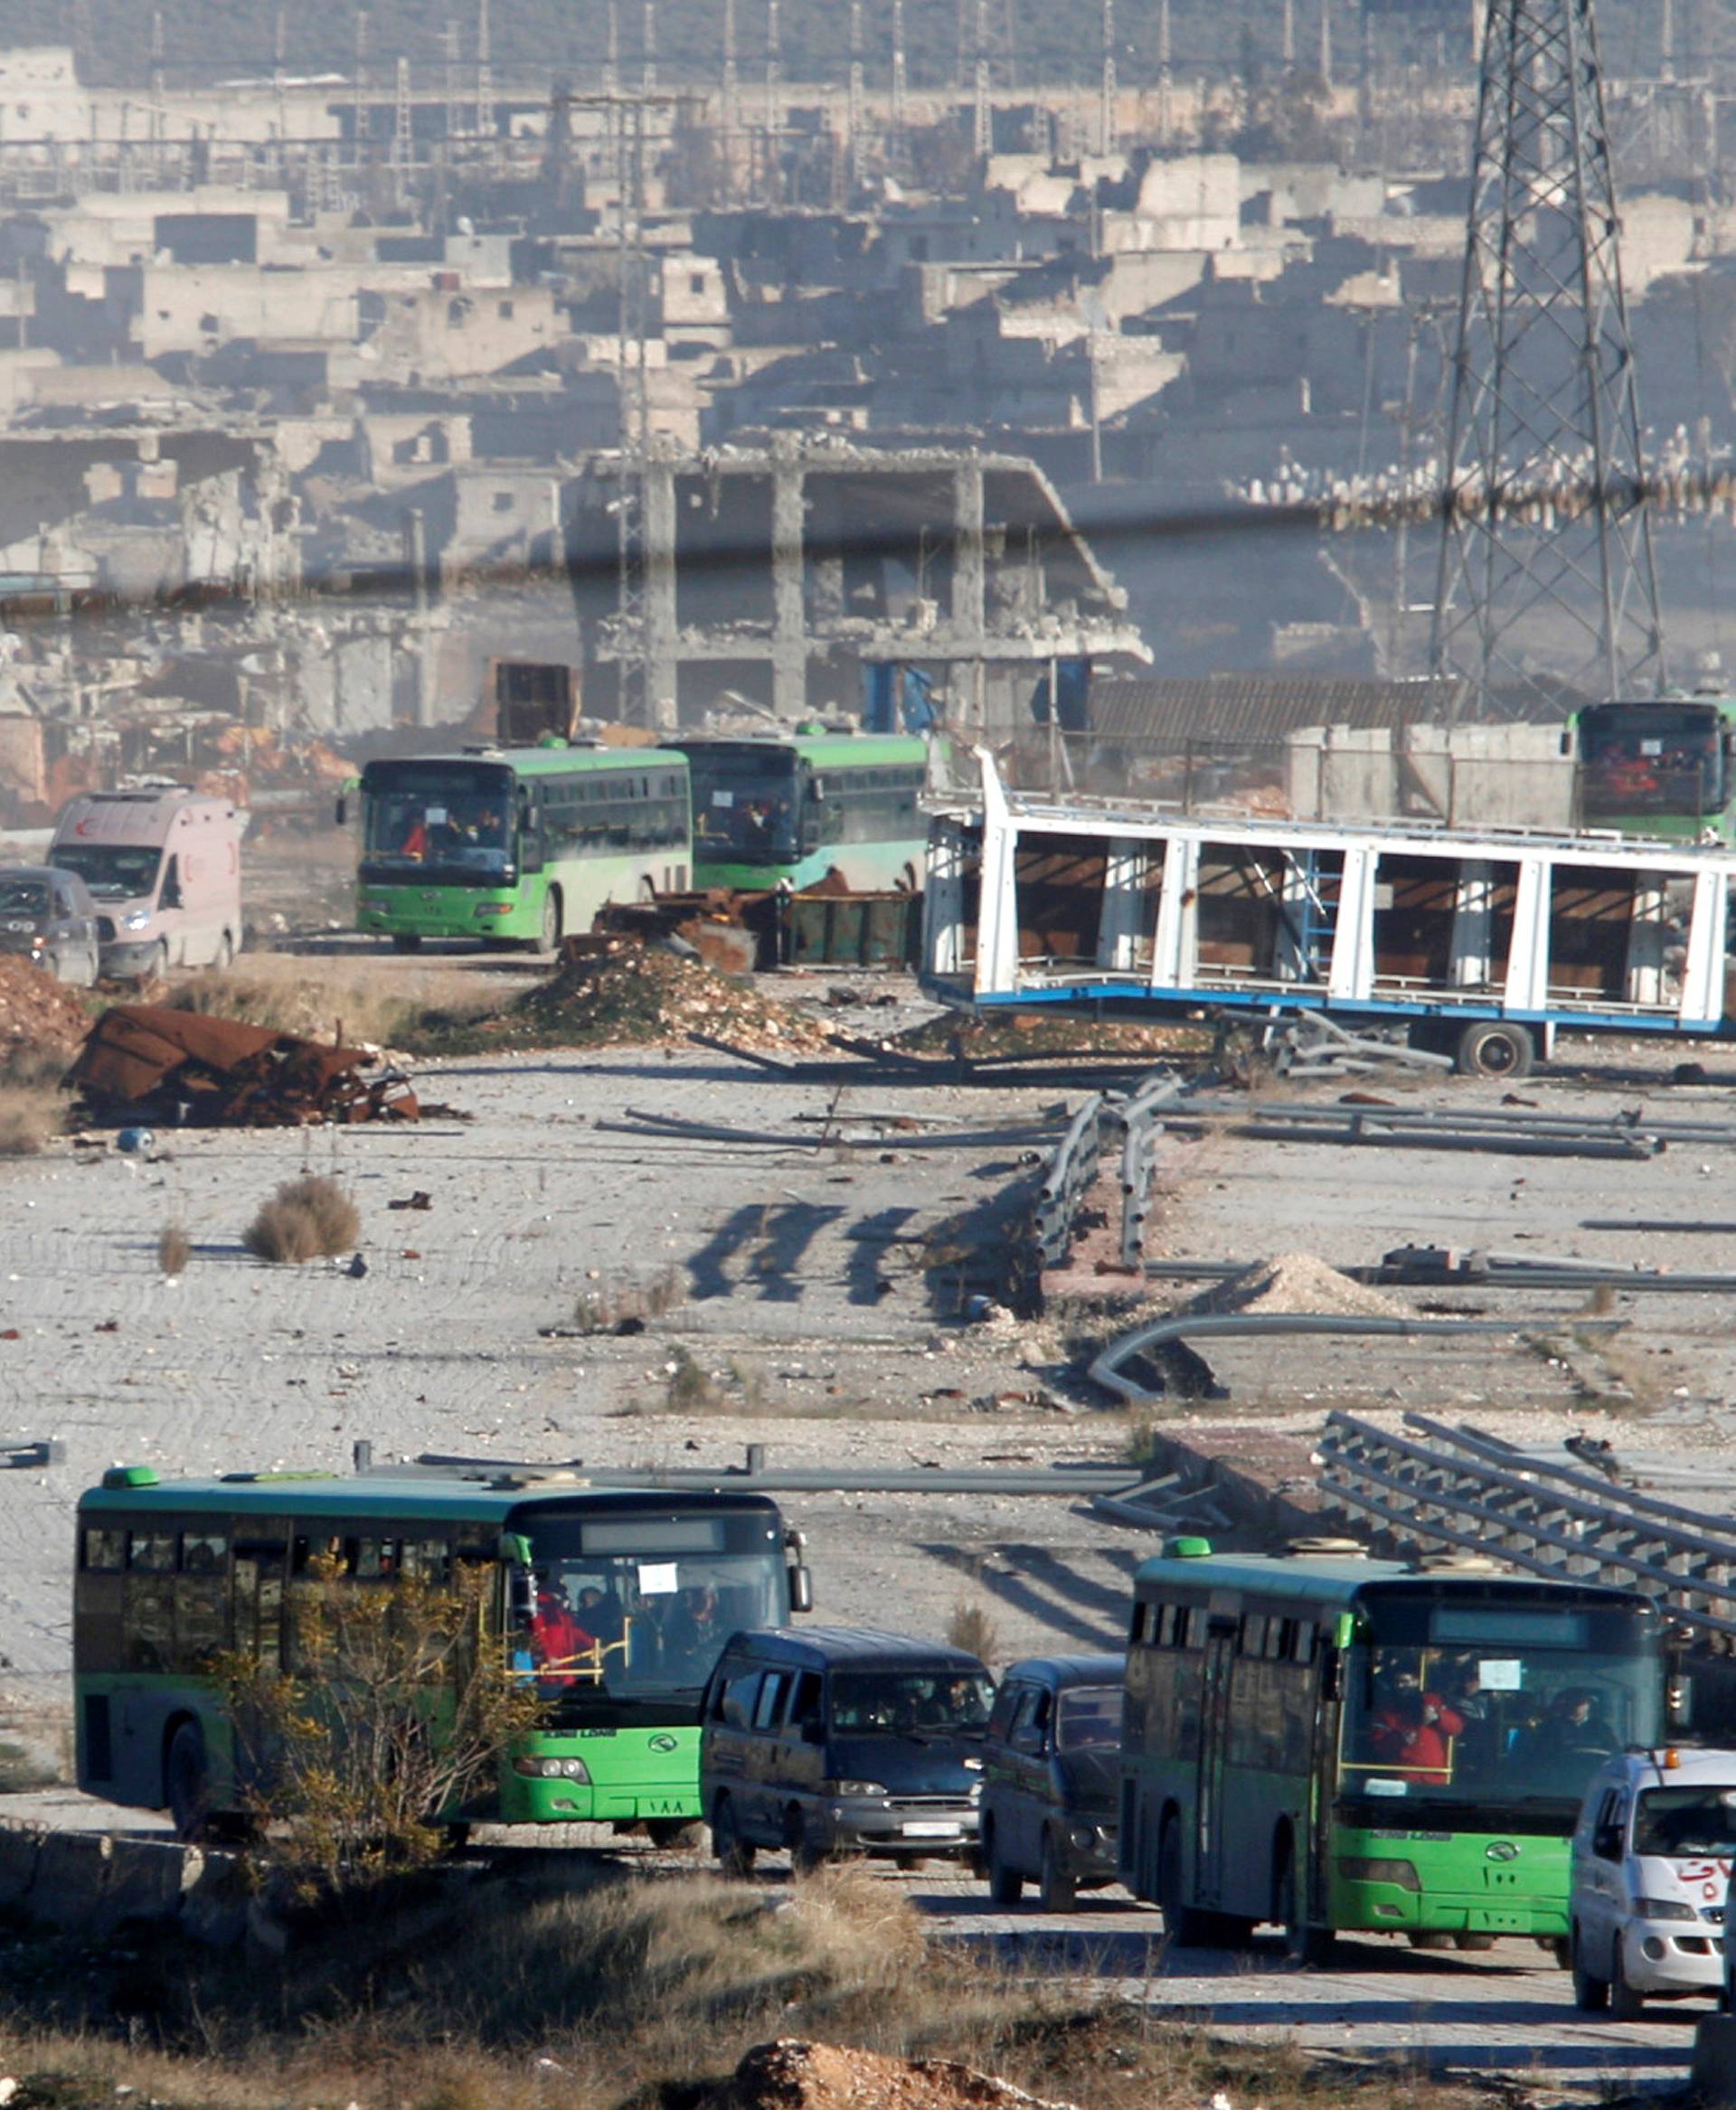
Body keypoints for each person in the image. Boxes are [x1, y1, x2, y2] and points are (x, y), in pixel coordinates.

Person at [1368, 1665, 1464, 1783]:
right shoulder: (1386, 1711)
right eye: (1397, 1682)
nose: (1400, 1686)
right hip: (1404, 1775)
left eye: (1405, 1681)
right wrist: (1399, 1739)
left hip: (1435, 1775)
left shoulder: (1433, 1701)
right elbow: (1378, 1745)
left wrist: (1438, 1717)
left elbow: (1456, 1728)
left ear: (1416, 1681)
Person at [530, 1578, 596, 1689]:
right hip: (548, 1673)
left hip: (566, 1670)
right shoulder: (542, 1607)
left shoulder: (562, 1613)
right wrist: (549, 1656)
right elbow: (538, 1634)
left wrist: (593, 1644)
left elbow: (573, 1632)